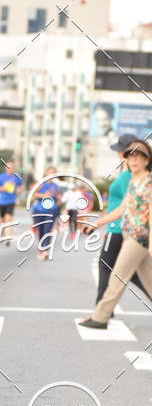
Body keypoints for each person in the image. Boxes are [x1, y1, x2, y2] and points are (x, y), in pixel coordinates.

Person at [80, 139, 152, 329]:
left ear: (147, 160)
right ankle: (101, 316)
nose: (134, 161)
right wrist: (97, 223)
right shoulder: (134, 181)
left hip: (139, 238)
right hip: (131, 236)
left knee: (117, 276)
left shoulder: (149, 182)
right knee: (150, 281)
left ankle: (100, 317)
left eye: (139, 157)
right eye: (131, 157)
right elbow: (121, 209)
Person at [31, 167, 60, 260]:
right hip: (39, 210)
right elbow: (33, 194)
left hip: (51, 211)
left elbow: (59, 198)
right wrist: (44, 195)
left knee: (48, 229)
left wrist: (58, 202)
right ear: (46, 173)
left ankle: (45, 250)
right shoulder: (41, 184)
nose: (51, 176)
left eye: (53, 173)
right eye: (50, 173)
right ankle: (41, 248)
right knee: (41, 230)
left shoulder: (55, 186)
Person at [0, 160, 22, 245]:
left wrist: (18, 191)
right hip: (2, 201)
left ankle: (8, 237)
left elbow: (21, 186)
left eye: (12, 167)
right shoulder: (1, 177)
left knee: (8, 218)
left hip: (11, 201)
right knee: (2, 220)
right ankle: (2, 233)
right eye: (9, 167)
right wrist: (2, 188)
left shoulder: (16, 177)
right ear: (6, 168)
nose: (10, 169)